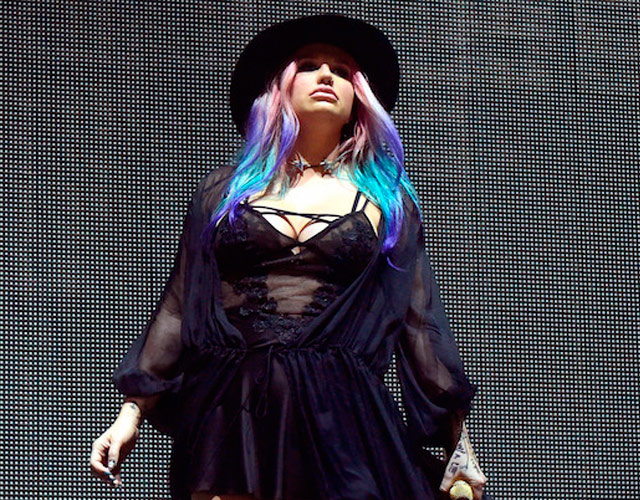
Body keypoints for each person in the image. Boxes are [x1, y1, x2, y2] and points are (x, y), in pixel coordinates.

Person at [90, 14, 489, 500]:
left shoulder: (388, 204)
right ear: (279, 86)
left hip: (342, 415)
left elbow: (420, 323)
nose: (326, 76)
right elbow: (177, 307)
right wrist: (130, 413)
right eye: (309, 65)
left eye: (341, 71)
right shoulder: (224, 194)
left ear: (358, 99)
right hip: (233, 411)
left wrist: (459, 445)